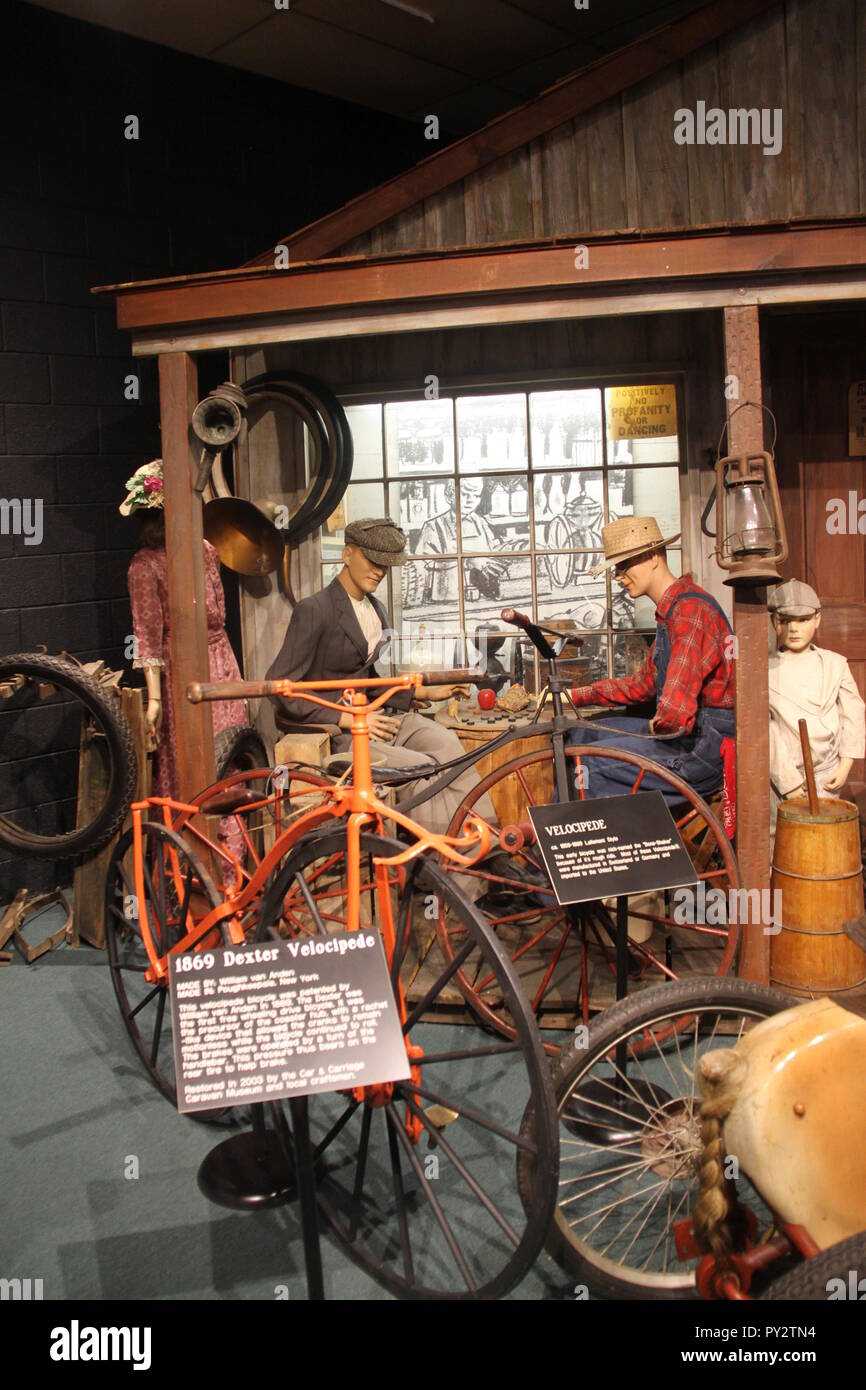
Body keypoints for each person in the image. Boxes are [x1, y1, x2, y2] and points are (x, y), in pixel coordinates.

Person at [266, 517, 498, 885]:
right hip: (342, 734)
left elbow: (369, 681)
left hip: (380, 720)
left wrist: (422, 693)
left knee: (449, 746)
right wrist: (344, 720)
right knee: (421, 768)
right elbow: (280, 689)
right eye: (372, 560)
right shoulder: (315, 610)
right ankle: (455, 877)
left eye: (385, 564)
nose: (379, 571)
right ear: (347, 554)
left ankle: (489, 846)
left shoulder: (375, 610)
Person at [565, 516, 735, 804]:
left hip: (702, 749)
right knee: (580, 736)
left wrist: (655, 728)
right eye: (616, 568)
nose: (619, 576)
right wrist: (576, 695)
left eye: (624, 565)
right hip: (685, 737)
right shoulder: (671, 611)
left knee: (588, 767)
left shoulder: (690, 611)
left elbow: (674, 713)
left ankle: (573, 842)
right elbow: (645, 684)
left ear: (654, 557)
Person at [122, 459, 247, 801]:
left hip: (190, 668)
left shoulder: (157, 563)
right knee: (203, 758)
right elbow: (215, 612)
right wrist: (155, 700)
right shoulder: (193, 554)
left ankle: (216, 845)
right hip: (215, 661)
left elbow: (147, 637)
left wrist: (156, 700)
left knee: (217, 755)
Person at [768, 579, 865, 833]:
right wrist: (787, 781)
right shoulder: (764, 670)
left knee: (827, 837)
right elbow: (763, 729)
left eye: (802, 620)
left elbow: (854, 712)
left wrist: (846, 764)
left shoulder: (835, 665)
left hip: (827, 773)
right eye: (786, 620)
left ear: (817, 619)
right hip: (783, 775)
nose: (794, 629)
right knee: (785, 839)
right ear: (774, 621)